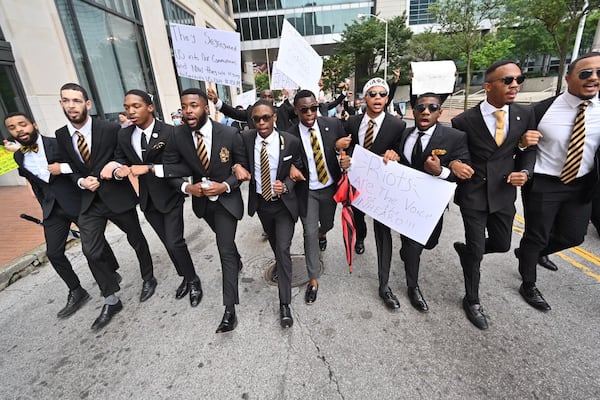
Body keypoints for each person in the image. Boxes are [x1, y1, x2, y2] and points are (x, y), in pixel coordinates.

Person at [55, 83, 156, 331]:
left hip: (116, 195)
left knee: (136, 239)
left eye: (76, 101)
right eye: (66, 101)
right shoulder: (60, 135)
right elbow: (70, 167)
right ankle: (111, 298)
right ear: (61, 104)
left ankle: (148, 277)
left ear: (87, 104)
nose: (71, 105)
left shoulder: (110, 129)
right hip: (89, 201)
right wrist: (80, 180)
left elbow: (124, 156)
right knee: (90, 251)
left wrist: (115, 167)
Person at [451, 61, 537, 330]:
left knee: (501, 244)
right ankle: (472, 300)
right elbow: (456, 153)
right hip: (474, 195)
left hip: (503, 194)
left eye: (518, 79)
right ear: (488, 86)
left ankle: (468, 252)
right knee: (477, 251)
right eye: (508, 80)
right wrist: (454, 164)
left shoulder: (525, 114)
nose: (515, 85)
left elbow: (528, 151)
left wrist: (525, 170)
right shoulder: (463, 121)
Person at [100, 90, 203, 307]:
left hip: (170, 195)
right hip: (146, 200)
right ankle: (184, 276)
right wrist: (118, 170)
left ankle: (193, 280)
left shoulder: (171, 132)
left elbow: (183, 167)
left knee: (175, 242)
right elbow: (120, 159)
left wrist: (149, 168)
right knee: (167, 243)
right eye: (127, 107)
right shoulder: (124, 135)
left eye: (136, 106)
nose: (130, 111)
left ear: (150, 107)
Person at [516, 52, 600, 311]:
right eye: (586, 73)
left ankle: (531, 253)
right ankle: (528, 282)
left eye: (599, 73)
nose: (594, 78)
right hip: (544, 183)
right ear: (568, 78)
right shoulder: (541, 110)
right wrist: (521, 144)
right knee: (535, 235)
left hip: (582, 184)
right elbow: (521, 147)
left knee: (573, 236)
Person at [162, 88, 249, 333]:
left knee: (224, 250)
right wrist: (189, 188)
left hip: (227, 202)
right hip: (202, 204)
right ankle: (237, 256)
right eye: (184, 106)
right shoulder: (177, 135)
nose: (188, 111)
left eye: (194, 105)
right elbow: (170, 170)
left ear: (205, 107)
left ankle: (229, 309)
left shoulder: (230, 133)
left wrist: (226, 185)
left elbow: (240, 168)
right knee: (226, 242)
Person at [5, 112, 102, 318]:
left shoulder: (57, 143)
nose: (19, 130)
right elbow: (31, 179)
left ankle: (110, 272)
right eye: (13, 128)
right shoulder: (18, 156)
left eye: (23, 124)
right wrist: (42, 202)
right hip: (52, 209)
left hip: (74, 201)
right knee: (54, 253)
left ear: (34, 124)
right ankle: (77, 290)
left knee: (92, 242)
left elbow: (79, 166)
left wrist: (65, 172)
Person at [397, 93, 473, 312]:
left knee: (430, 242)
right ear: (414, 111)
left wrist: (441, 171)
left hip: (433, 204)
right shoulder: (405, 133)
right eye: (421, 107)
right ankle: (412, 286)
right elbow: (399, 161)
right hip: (407, 201)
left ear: (440, 112)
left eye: (432, 107)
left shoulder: (454, 137)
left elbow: (464, 169)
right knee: (412, 246)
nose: (426, 111)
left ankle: (411, 251)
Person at [343, 77, 406, 309]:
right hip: (357, 185)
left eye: (382, 94)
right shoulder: (352, 122)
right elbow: (345, 147)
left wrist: (395, 155)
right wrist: (344, 156)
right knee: (358, 221)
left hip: (382, 189)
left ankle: (384, 285)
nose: (377, 98)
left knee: (383, 233)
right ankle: (360, 237)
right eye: (373, 94)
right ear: (364, 98)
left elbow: (402, 152)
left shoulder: (397, 126)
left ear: (387, 98)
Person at [240, 100, 303, 327]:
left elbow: (299, 165)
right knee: (276, 244)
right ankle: (279, 260)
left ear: (274, 117)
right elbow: (237, 158)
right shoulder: (246, 139)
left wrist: (286, 184)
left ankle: (284, 304)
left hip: (284, 206)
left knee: (284, 249)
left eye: (266, 117)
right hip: (262, 205)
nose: (261, 123)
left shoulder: (290, 141)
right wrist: (235, 167)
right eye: (257, 119)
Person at [287, 90, 350, 304]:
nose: (309, 113)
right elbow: (285, 162)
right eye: (304, 110)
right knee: (308, 233)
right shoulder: (289, 135)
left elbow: (346, 148)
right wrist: (290, 171)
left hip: (330, 188)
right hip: (308, 192)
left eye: (313, 108)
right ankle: (313, 278)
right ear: (296, 111)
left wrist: (344, 158)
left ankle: (324, 233)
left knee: (328, 224)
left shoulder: (331, 125)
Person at [208, 88, 295, 131]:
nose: (267, 99)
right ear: (260, 98)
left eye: (270, 97)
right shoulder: (251, 112)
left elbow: (299, 110)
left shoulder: (283, 111)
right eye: (264, 97)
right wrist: (217, 101)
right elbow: (234, 113)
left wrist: (291, 94)